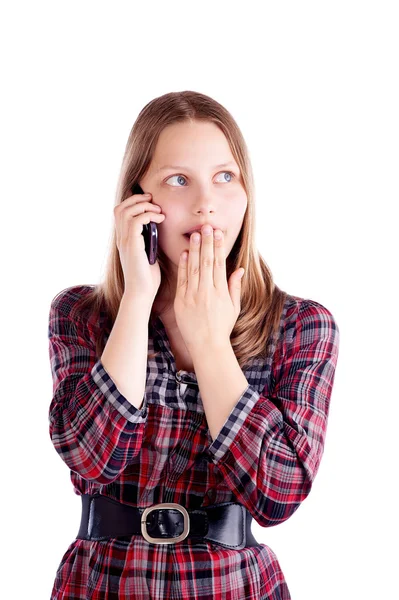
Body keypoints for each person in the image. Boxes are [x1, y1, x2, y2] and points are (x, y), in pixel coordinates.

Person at [47, 90, 340, 599]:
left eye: (224, 177)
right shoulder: (82, 315)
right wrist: (138, 298)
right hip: (100, 585)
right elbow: (92, 457)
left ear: (246, 195)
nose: (206, 202)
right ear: (139, 198)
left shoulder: (300, 326)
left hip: (234, 587)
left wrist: (210, 344)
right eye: (179, 180)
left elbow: (279, 494)